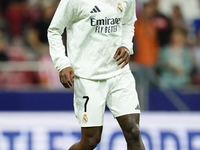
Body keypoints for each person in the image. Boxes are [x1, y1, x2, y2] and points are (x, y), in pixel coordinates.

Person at [47, 0, 145, 150]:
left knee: (133, 131)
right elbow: (54, 30)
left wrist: (126, 44)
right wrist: (62, 63)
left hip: (119, 72)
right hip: (88, 76)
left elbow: (128, 22)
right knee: (91, 140)